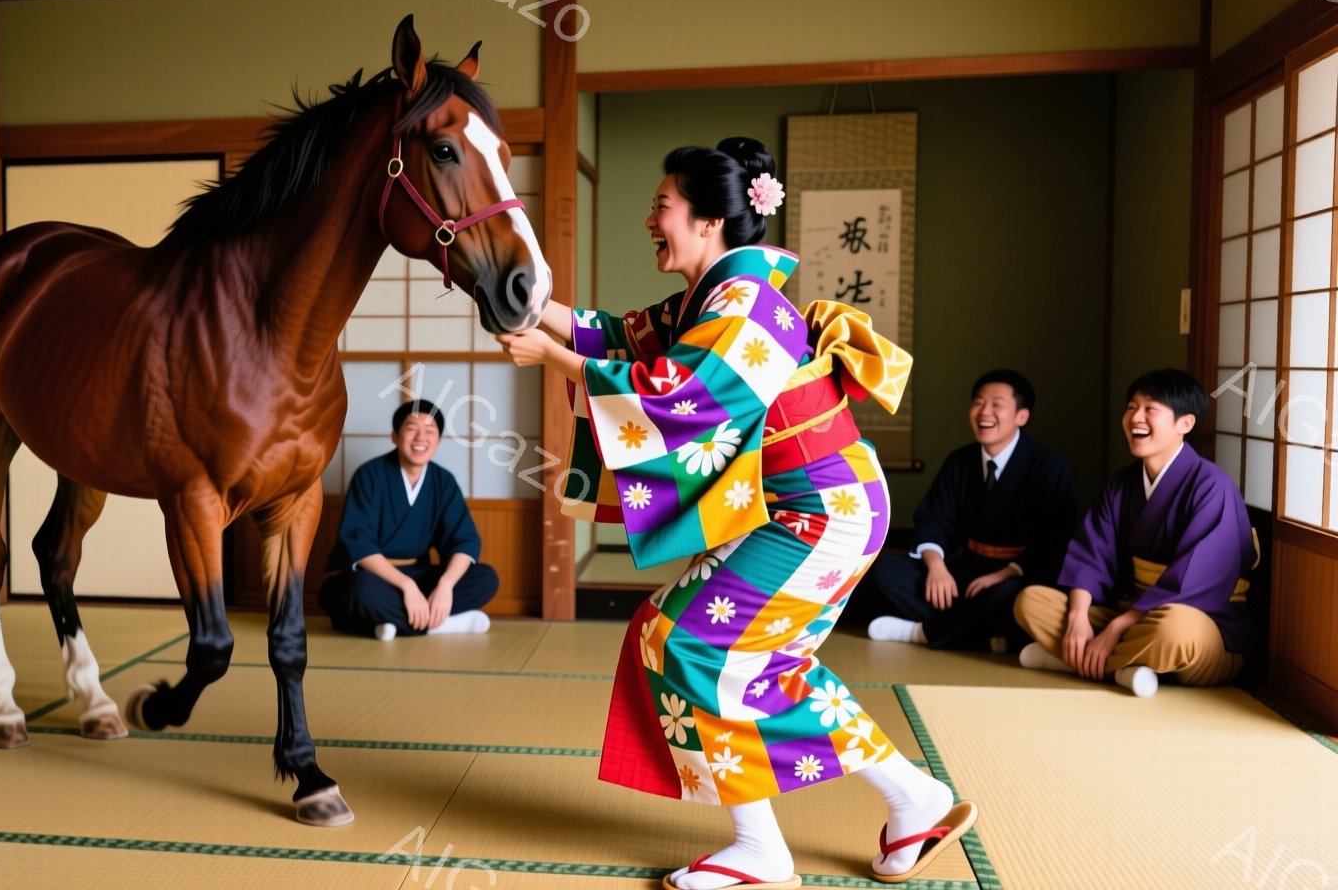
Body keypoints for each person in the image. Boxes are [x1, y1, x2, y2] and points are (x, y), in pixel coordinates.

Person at [498, 138, 974, 890]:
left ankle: (772, 843)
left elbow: (674, 397)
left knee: (679, 639)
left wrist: (552, 360)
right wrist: (534, 307)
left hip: (822, 509)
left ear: (711, 220)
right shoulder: (713, 296)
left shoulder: (747, 303)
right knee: (753, 660)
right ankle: (909, 798)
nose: (649, 220)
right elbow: (625, 338)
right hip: (804, 505)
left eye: (661, 206)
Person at [1012, 368, 1254, 698]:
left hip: (1203, 622)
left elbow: (1194, 579)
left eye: (1150, 408)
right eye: (1130, 407)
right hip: (1133, 613)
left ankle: (1076, 662)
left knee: (1175, 631)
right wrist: (1079, 617)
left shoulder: (1213, 487)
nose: (1135, 417)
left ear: (1185, 423)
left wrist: (1115, 627)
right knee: (1030, 602)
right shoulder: (1123, 485)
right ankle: (1124, 669)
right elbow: (1091, 554)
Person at [861, 370, 1076, 652]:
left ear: (1021, 416)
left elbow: (1055, 541)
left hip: (1015, 576)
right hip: (964, 572)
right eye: (978, 403)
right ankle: (986, 635)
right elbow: (934, 518)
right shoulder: (960, 461)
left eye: (996, 404)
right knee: (883, 571)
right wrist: (936, 565)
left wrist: (1004, 574)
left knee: (1015, 598)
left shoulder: (1049, 467)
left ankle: (923, 632)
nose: (984, 412)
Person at [319, 399, 497, 642]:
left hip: (419, 573)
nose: (421, 437)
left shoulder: (443, 481)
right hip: (373, 577)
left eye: (430, 430)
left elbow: (463, 540)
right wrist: (407, 587)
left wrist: (444, 585)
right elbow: (357, 542)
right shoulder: (369, 475)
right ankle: (440, 625)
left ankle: (389, 623)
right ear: (394, 436)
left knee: (485, 578)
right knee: (358, 593)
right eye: (411, 428)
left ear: (439, 440)